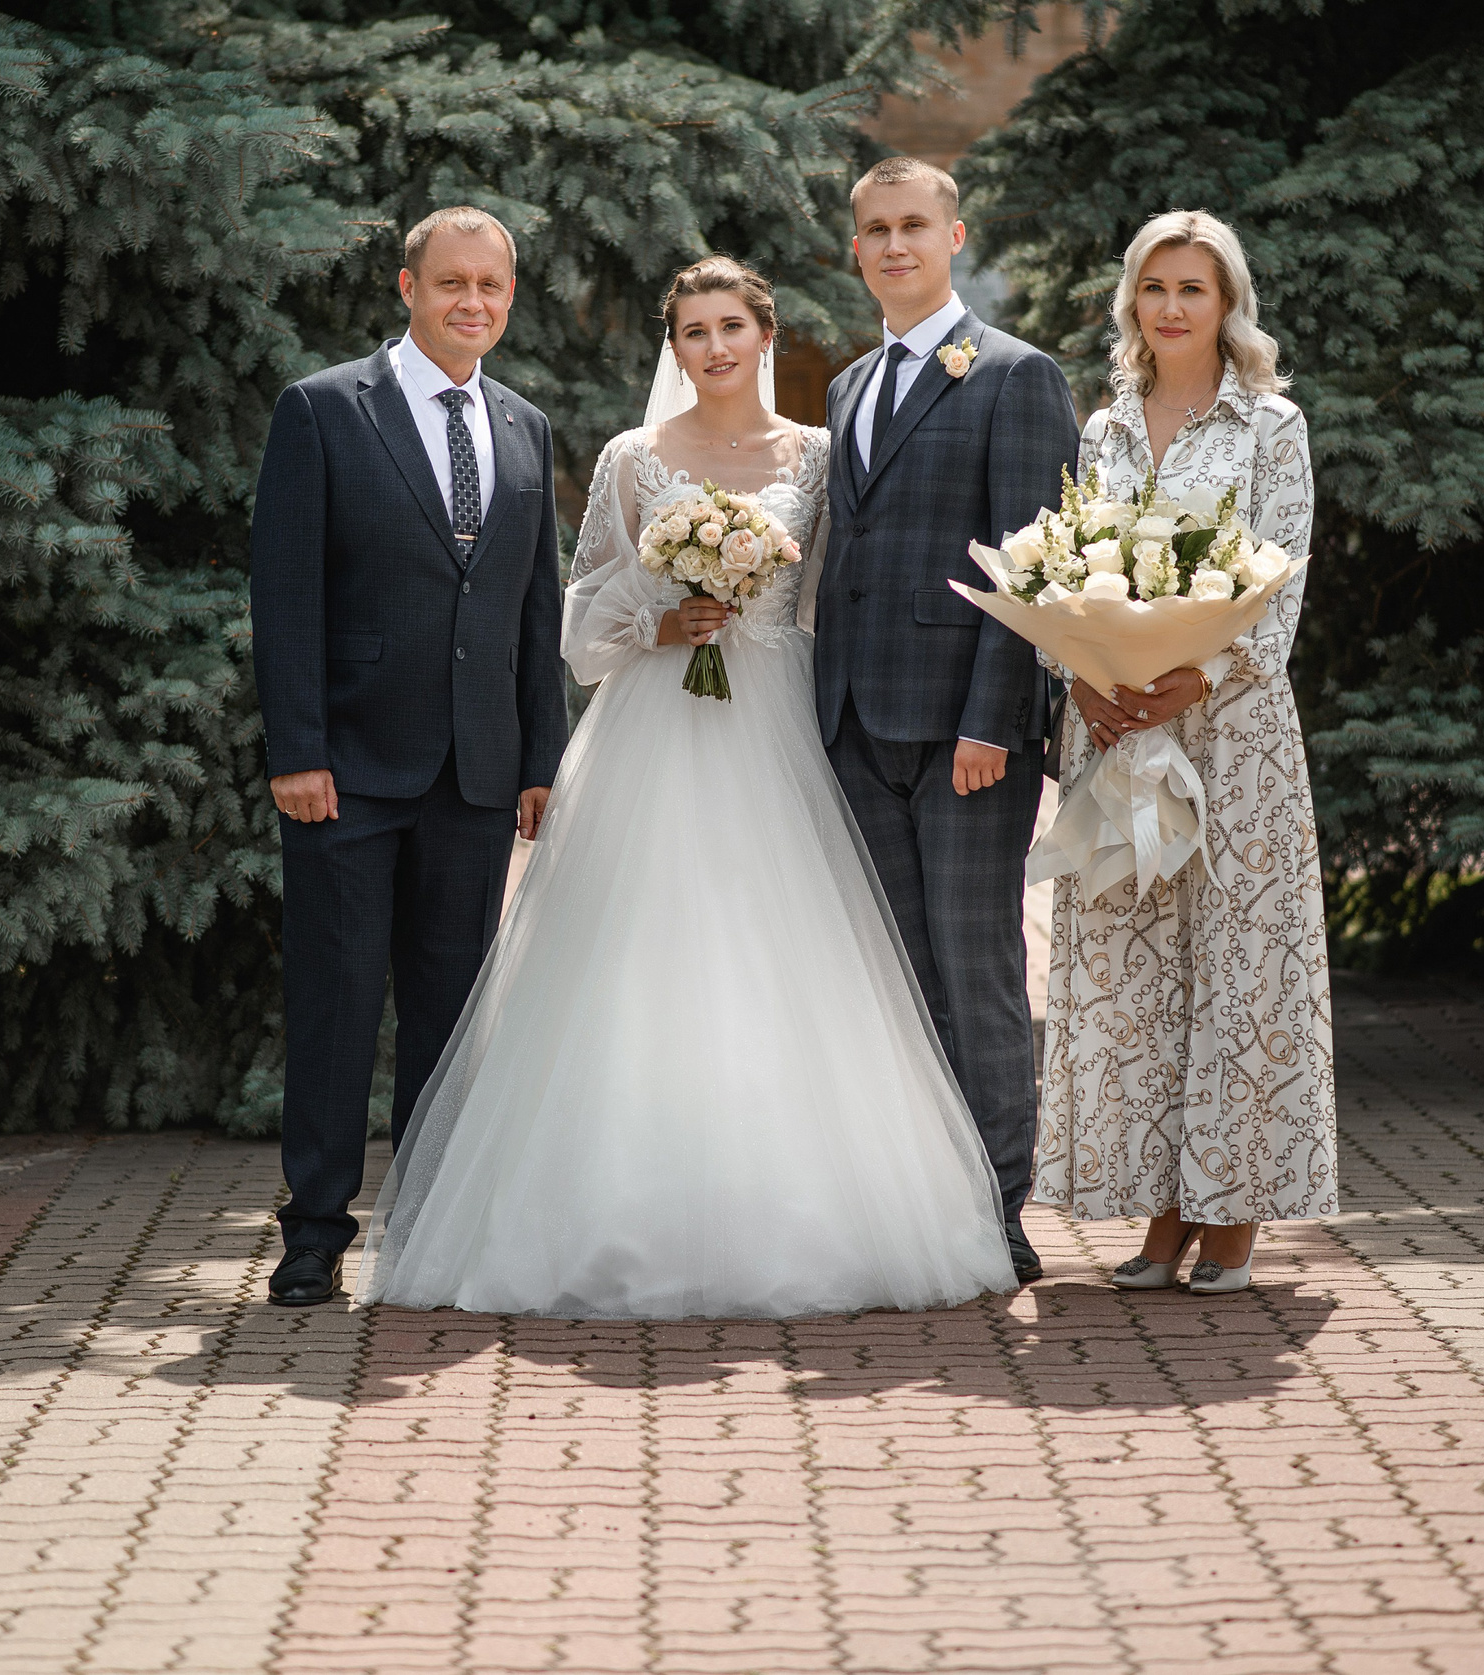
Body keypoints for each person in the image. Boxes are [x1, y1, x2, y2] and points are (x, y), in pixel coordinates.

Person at [358, 257, 1015, 1320]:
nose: (713, 347)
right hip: (655, 727)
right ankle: (609, 1208)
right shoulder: (632, 458)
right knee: (640, 954)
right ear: (676, 350)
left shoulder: (815, 453)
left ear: (764, 336)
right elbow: (577, 627)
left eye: (730, 328)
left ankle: (805, 1206)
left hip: (780, 725)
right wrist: (660, 625)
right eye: (692, 332)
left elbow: (840, 595)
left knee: (785, 954)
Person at [249, 206, 570, 1308]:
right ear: (406, 287)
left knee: (450, 1014)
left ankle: (429, 1231)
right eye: (451, 285)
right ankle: (314, 1232)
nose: (471, 303)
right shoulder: (325, 411)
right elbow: (284, 595)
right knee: (337, 1005)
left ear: (508, 299)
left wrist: (540, 758)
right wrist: (298, 748)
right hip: (345, 769)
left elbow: (536, 608)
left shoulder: (523, 427)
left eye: (490, 287)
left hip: (476, 776)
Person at [1032, 209, 1337, 1295]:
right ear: (1132, 304)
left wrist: (1197, 673)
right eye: (1153, 288)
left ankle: (1235, 1206)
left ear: (1226, 304)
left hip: (1232, 725)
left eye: (1191, 290)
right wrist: (1080, 673)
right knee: (1136, 970)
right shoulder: (1103, 430)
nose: (1170, 307)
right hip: (1116, 723)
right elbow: (1065, 565)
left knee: (1240, 964)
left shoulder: (1270, 426)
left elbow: (1283, 572)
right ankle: (1162, 1209)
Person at [813, 157, 1083, 1285]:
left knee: (975, 973)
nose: (891, 245)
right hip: (855, 726)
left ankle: (1000, 1214)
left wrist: (993, 722)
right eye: (872, 229)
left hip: (967, 737)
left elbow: (1027, 570)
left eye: (911, 225)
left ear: (954, 235)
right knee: (899, 973)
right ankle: (924, 1206)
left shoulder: (1014, 377)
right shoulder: (844, 387)